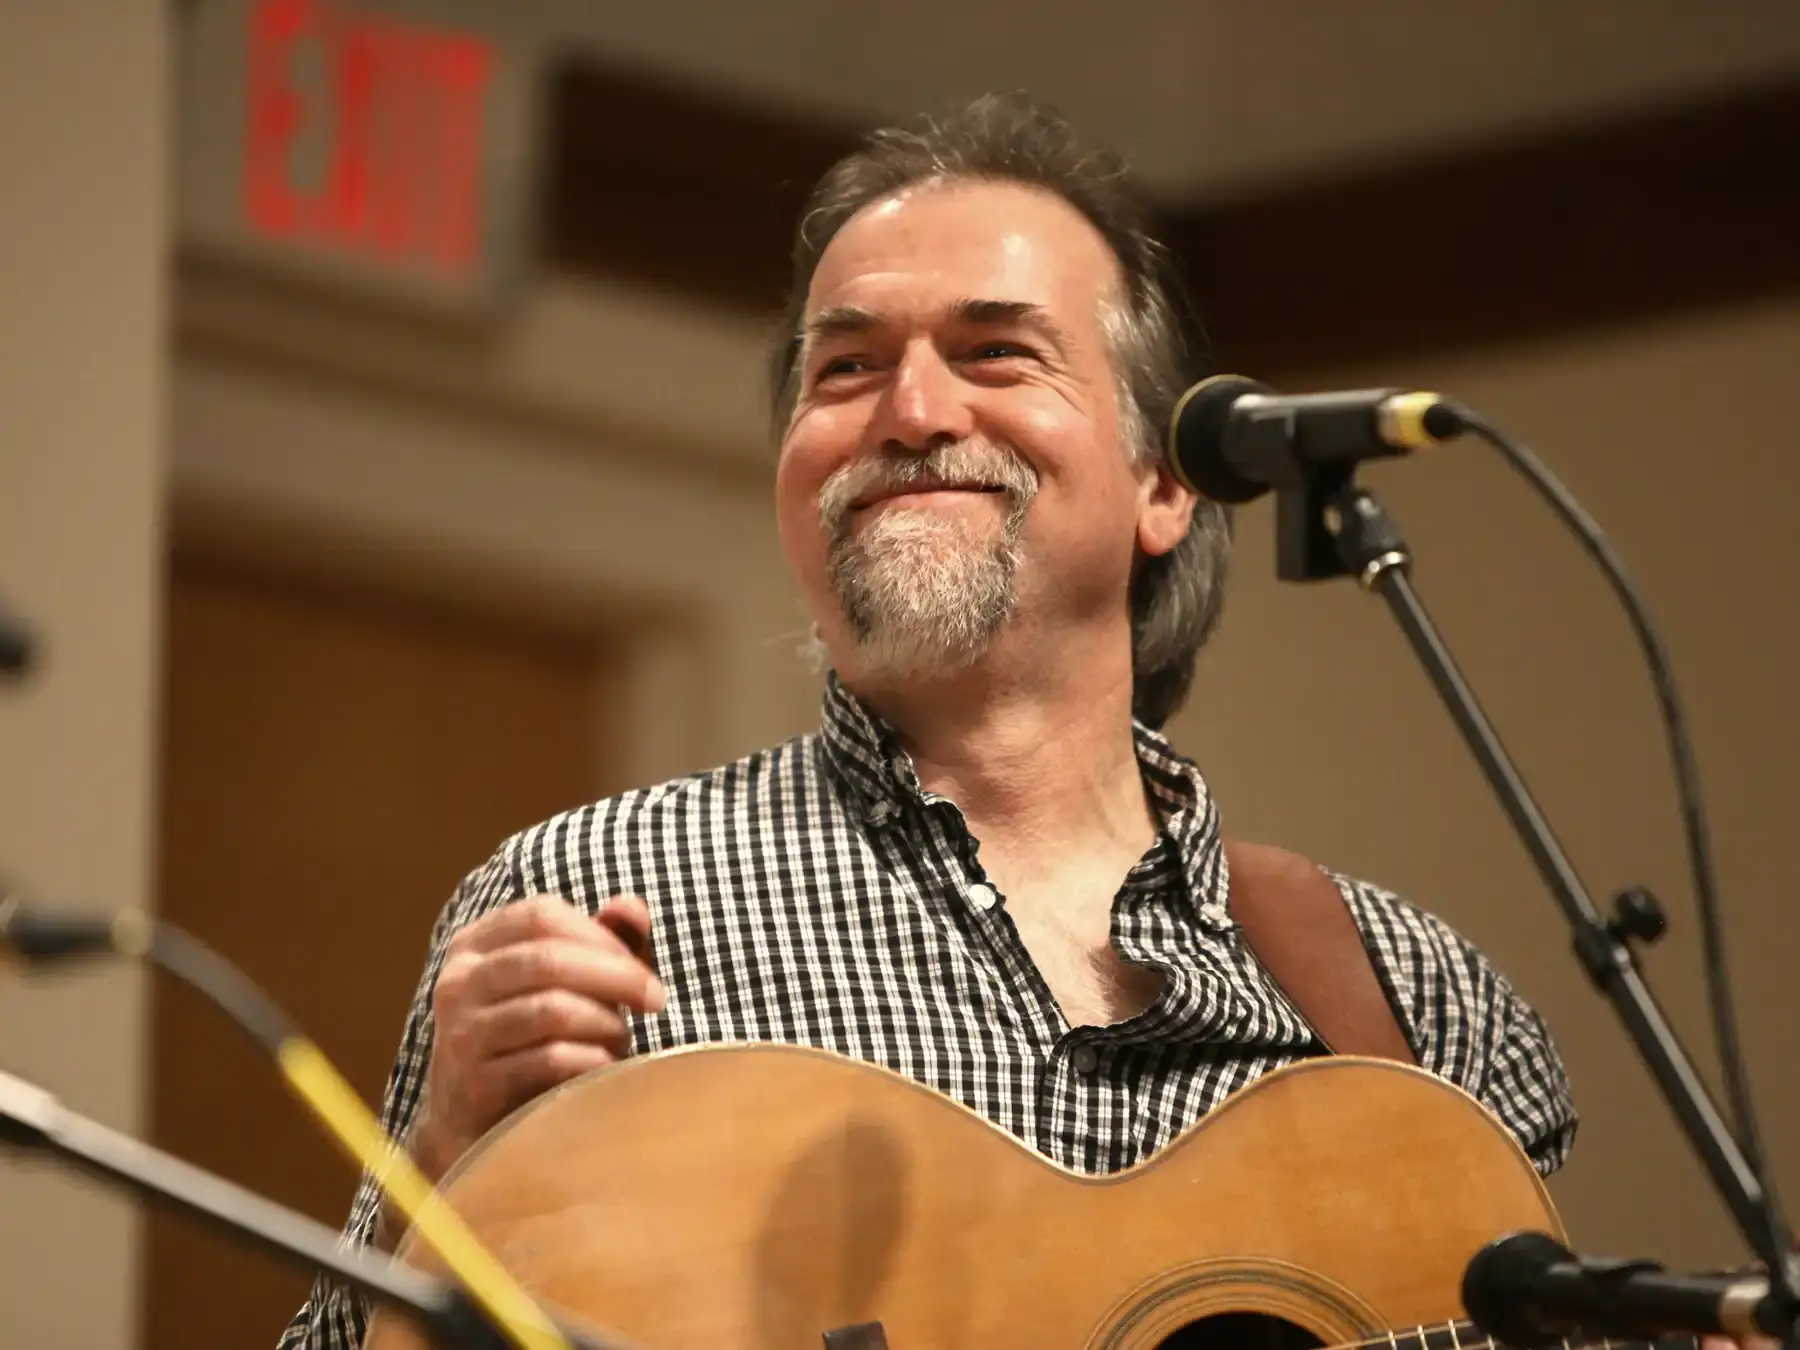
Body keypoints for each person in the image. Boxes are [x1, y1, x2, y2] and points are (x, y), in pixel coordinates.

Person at [278, 92, 1580, 1350]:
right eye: (846, 368)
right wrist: (434, 1163)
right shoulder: (600, 902)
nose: (911, 414)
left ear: (1166, 483)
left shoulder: (1411, 999)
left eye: (996, 352)